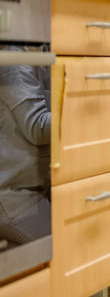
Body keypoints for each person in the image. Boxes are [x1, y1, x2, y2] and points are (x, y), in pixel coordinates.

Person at [0, 44, 51, 246]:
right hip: (15, 199)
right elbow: (37, 127)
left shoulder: (40, 54)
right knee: (70, 254)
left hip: (37, 190)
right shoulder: (15, 61)